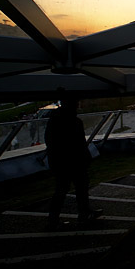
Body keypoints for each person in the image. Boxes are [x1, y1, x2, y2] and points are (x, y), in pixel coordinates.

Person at [45, 93, 102, 231]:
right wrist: (85, 157)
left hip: (63, 162)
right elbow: (80, 144)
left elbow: (50, 142)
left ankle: (55, 219)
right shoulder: (74, 122)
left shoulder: (55, 121)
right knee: (77, 189)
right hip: (74, 162)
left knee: (64, 190)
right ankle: (82, 213)